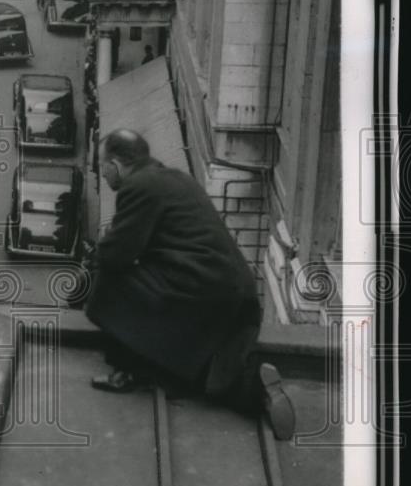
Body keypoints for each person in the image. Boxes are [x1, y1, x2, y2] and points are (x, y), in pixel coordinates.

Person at [84, 130, 295, 439]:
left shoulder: (138, 187)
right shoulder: (172, 178)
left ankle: (126, 370)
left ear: (115, 165)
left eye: (102, 166)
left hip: (200, 286)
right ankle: (258, 389)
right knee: (200, 372)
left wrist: (94, 258)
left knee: (109, 284)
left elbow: (117, 255)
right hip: (230, 288)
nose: (102, 174)